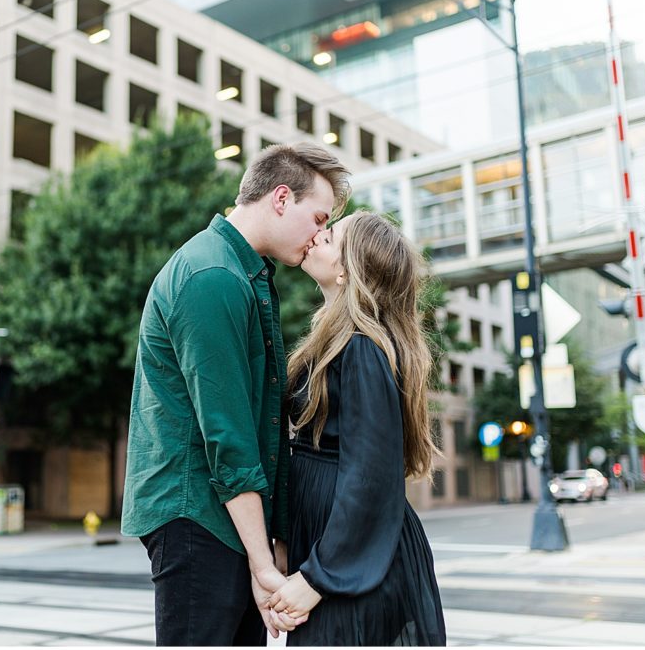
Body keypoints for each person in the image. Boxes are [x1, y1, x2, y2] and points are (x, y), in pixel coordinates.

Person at [121, 143, 350, 645]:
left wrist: (270, 546)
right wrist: (263, 560)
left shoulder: (242, 272)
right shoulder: (213, 276)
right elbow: (228, 435)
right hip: (196, 513)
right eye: (318, 217)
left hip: (224, 518)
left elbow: (263, 424)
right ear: (282, 198)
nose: (320, 235)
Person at [268, 210, 447, 646]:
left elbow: (369, 475)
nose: (316, 237)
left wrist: (317, 578)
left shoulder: (363, 349)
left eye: (330, 237)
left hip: (352, 564)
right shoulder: (336, 340)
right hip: (337, 554)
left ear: (350, 270)